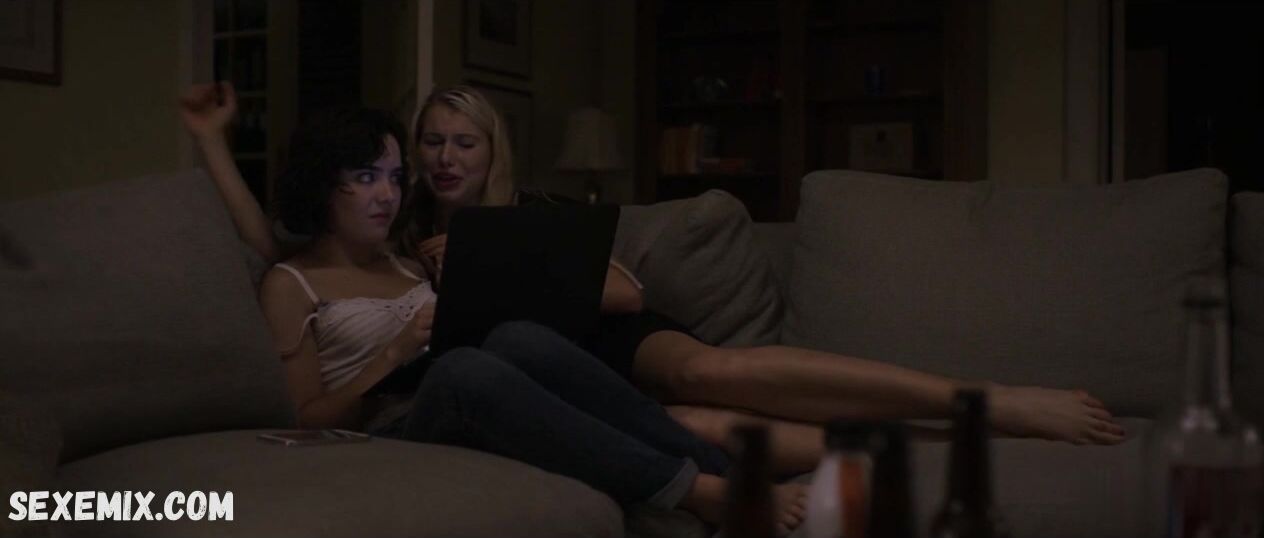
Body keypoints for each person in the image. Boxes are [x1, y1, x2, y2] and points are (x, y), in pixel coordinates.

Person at [178, 83, 808, 534]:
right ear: (323, 184)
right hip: (393, 424)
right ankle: (695, 490)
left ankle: (728, 475)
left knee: (518, 338)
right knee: (464, 370)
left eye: (395, 177)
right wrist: (394, 353)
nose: (387, 195)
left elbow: (605, 295)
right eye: (366, 177)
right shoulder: (293, 281)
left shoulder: (408, 256)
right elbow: (304, 416)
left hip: (478, 390)